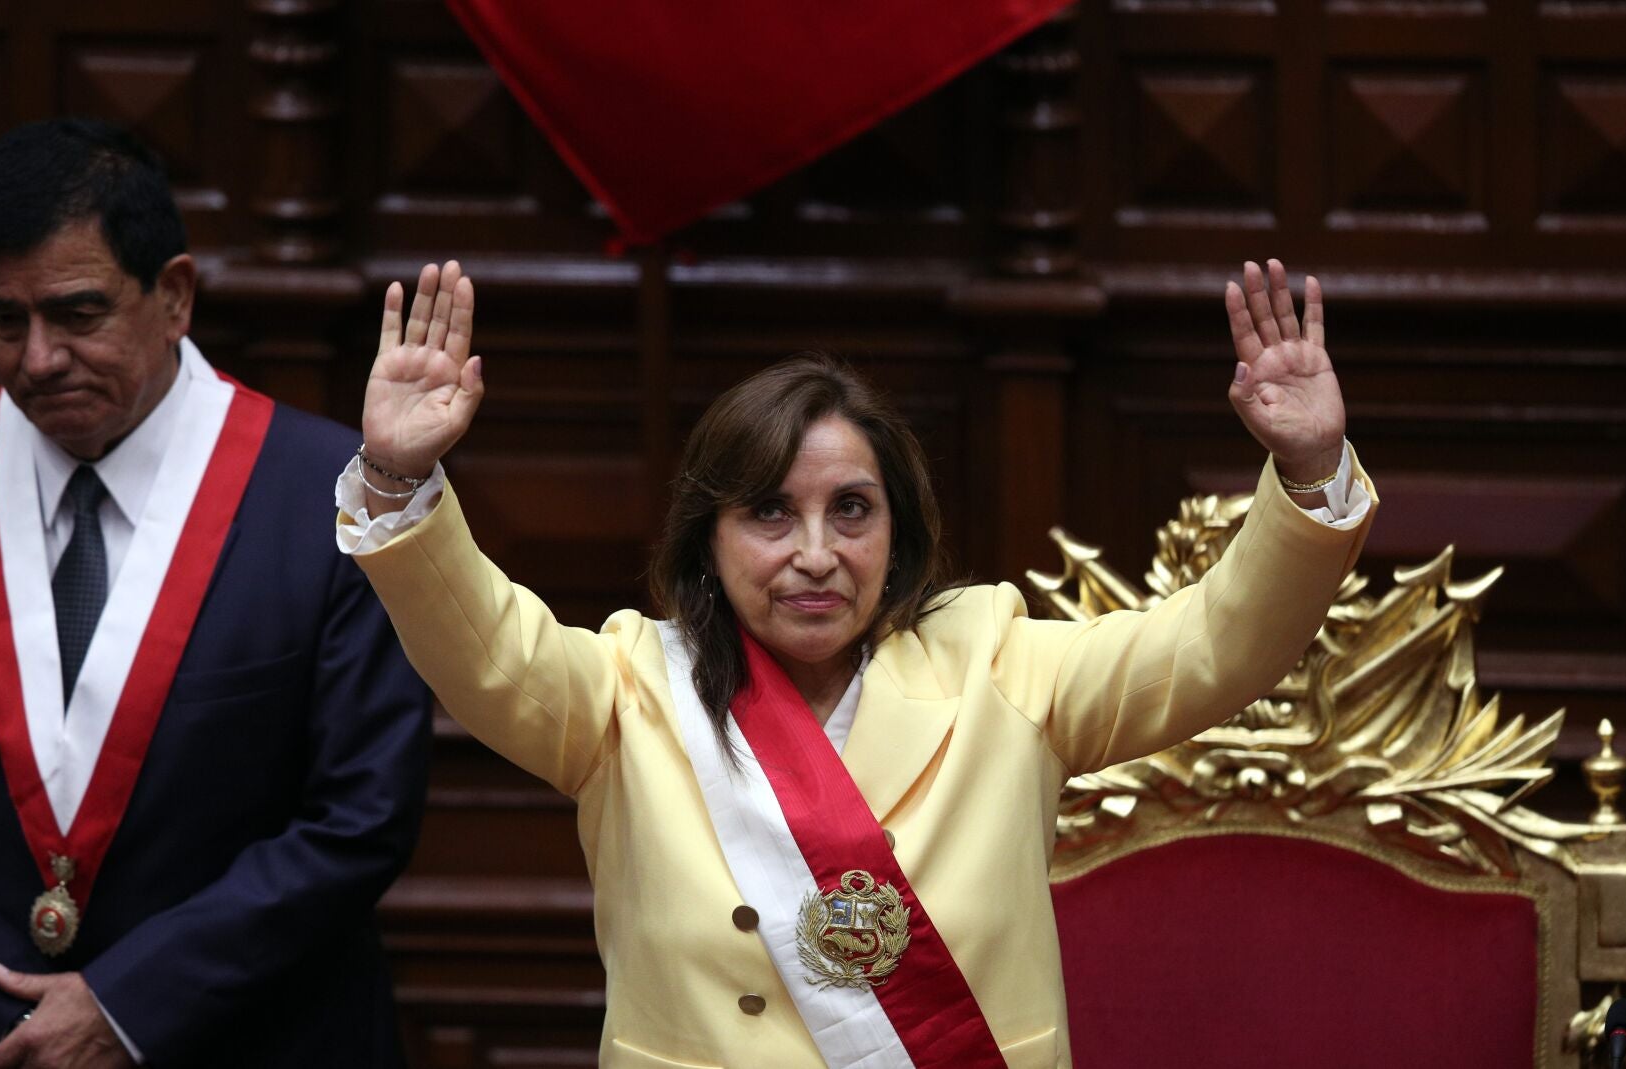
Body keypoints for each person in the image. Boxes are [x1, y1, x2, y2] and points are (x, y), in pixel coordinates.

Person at [338, 258, 1374, 1068]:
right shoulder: (628, 689)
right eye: (768, 513)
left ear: (899, 530)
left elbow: (1216, 645)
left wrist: (1308, 464)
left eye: (851, 509)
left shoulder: (999, 658)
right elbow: (479, 643)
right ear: (707, 539)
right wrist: (396, 473)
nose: (816, 554)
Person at [0, 119, 433, 1069]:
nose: (38, 358)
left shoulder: (332, 496)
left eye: (78, 314)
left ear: (174, 296)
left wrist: (124, 1009)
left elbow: (359, 814)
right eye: (3, 320)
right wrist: (18, 1021)